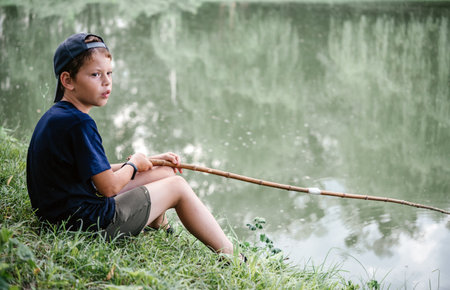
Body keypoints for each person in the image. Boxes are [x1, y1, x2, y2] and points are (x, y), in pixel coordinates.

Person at [26, 33, 235, 256]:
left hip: (63, 216)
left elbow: (94, 171)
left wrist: (150, 161)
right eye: (96, 74)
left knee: (164, 171)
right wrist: (133, 164)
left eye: (109, 73)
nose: (106, 82)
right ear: (68, 80)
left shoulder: (58, 115)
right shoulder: (80, 123)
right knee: (178, 186)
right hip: (88, 226)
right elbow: (108, 187)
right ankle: (230, 255)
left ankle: (158, 225)